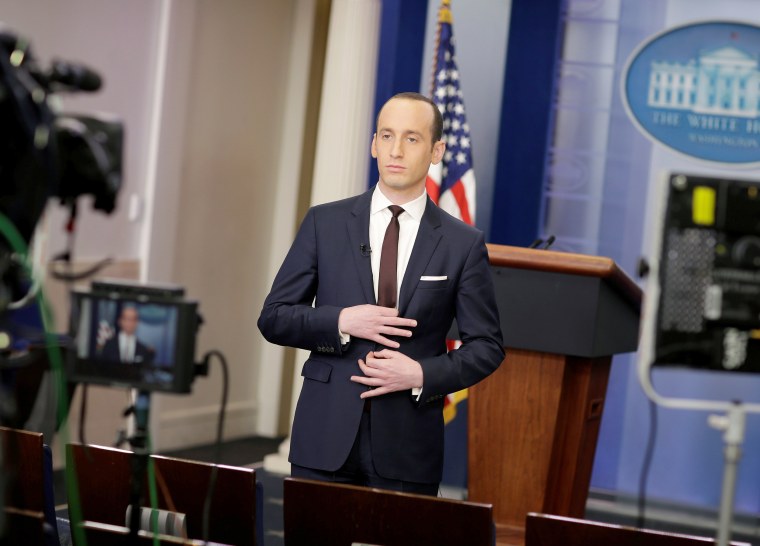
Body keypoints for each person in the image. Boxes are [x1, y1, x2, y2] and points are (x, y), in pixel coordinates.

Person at [258, 91, 504, 495]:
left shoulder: (462, 243)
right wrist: (340, 321)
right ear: (373, 143)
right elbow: (274, 317)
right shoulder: (325, 222)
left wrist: (422, 373)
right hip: (323, 435)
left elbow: (487, 345)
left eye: (411, 138)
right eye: (386, 135)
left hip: (409, 444)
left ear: (437, 150)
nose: (395, 149)